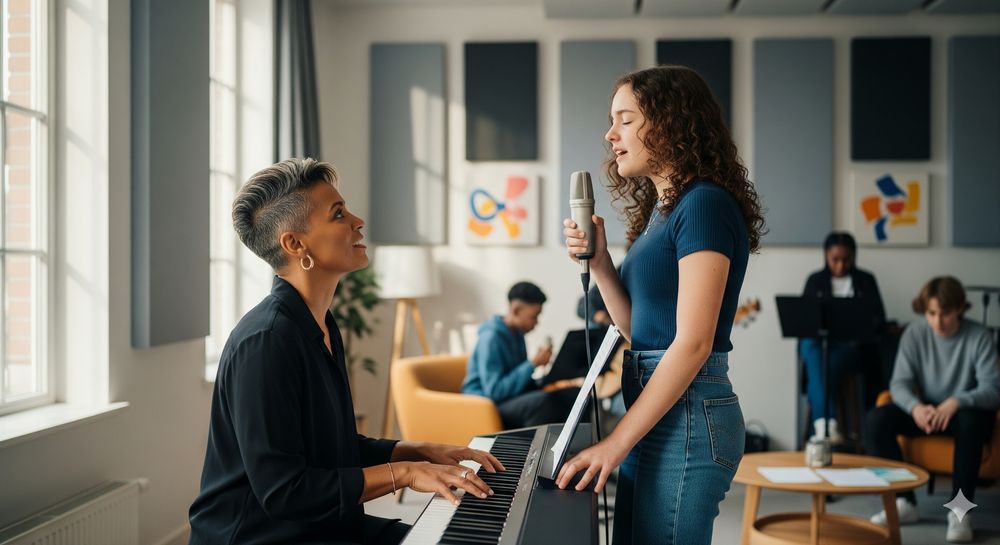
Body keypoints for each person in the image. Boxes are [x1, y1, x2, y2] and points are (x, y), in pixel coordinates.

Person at [188, 158, 504, 545]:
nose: (358, 221)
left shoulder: (319, 323)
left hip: (324, 526)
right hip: (264, 536)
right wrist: (404, 473)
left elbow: (328, 448)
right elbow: (285, 490)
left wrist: (418, 449)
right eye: (339, 214)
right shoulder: (266, 342)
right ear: (294, 243)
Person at [560, 65, 765, 545]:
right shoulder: (665, 210)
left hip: (688, 413)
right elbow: (639, 331)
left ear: (671, 121)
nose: (611, 134)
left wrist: (616, 441)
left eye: (625, 119)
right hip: (656, 405)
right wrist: (603, 260)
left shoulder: (704, 205)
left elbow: (692, 343)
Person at [865, 276, 999, 543]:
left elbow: (993, 389)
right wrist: (916, 409)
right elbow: (899, 384)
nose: (938, 321)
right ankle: (904, 503)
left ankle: (960, 512)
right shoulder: (915, 334)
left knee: (970, 422)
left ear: (960, 308)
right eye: (931, 313)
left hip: (964, 413)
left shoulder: (979, 337)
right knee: (875, 420)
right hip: (927, 412)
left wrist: (956, 401)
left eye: (945, 313)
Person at [799, 231, 886, 444]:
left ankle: (823, 426)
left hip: (853, 349)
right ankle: (828, 425)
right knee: (810, 346)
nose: (840, 265)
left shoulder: (866, 280)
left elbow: (878, 320)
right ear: (826, 256)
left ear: (853, 256)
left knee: (819, 370)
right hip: (820, 346)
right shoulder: (815, 280)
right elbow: (803, 321)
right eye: (835, 260)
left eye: (846, 260)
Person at [462, 282, 579, 429]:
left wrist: (549, 382)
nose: (537, 322)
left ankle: (577, 445)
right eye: (534, 316)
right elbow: (495, 391)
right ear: (516, 310)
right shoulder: (491, 338)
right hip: (489, 405)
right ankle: (538, 450)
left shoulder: (517, 334)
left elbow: (517, 381)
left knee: (573, 394)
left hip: (511, 396)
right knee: (542, 402)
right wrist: (533, 364)